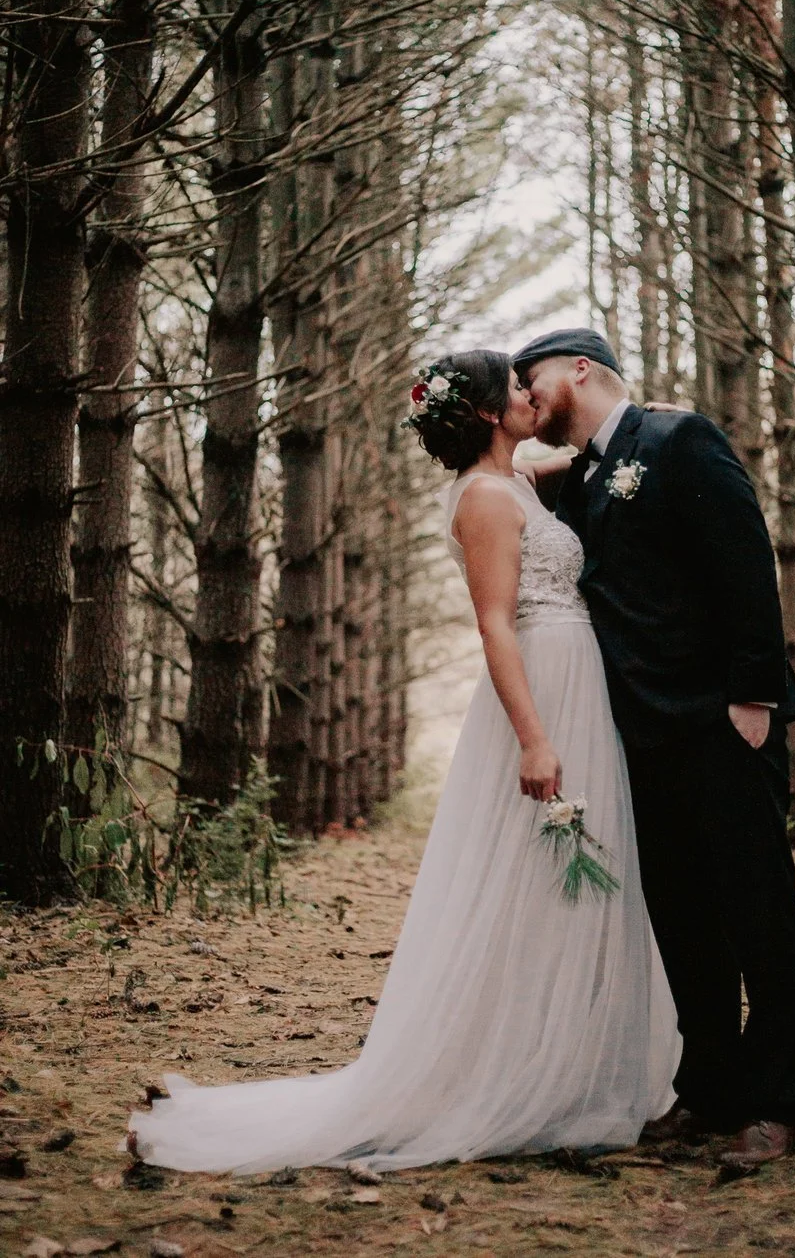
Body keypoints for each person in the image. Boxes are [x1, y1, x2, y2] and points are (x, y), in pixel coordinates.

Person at [128, 350, 679, 1174]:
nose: (531, 396)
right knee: (539, 871)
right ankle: (532, 1074)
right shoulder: (485, 498)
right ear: (488, 412)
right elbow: (495, 624)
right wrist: (534, 738)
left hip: (579, 682)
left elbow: (584, 455)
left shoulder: (514, 479)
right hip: (543, 686)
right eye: (516, 388)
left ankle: (577, 1057)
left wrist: (640, 423)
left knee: (576, 873)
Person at [512, 328, 795, 1170]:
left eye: (532, 376)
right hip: (638, 737)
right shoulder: (583, 476)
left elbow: (745, 558)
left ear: (581, 367)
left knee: (758, 916)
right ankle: (710, 1090)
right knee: (683, 923)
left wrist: (753, 695)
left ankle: (780, 1103)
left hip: (722, 721)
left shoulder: (679, 439)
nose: (524, 393)